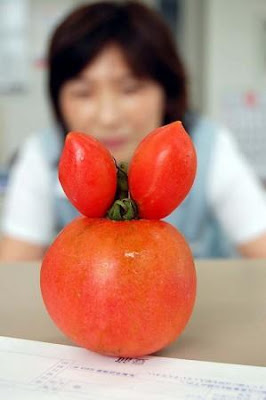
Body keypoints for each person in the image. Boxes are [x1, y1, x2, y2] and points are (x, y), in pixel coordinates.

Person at [1, 1, 266, 261]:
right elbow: (12, 268)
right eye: (82, 93)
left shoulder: (207, 146)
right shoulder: (43, 154)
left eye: (130, 89)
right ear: (57, 99)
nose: (108, 117)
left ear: (167, 91)